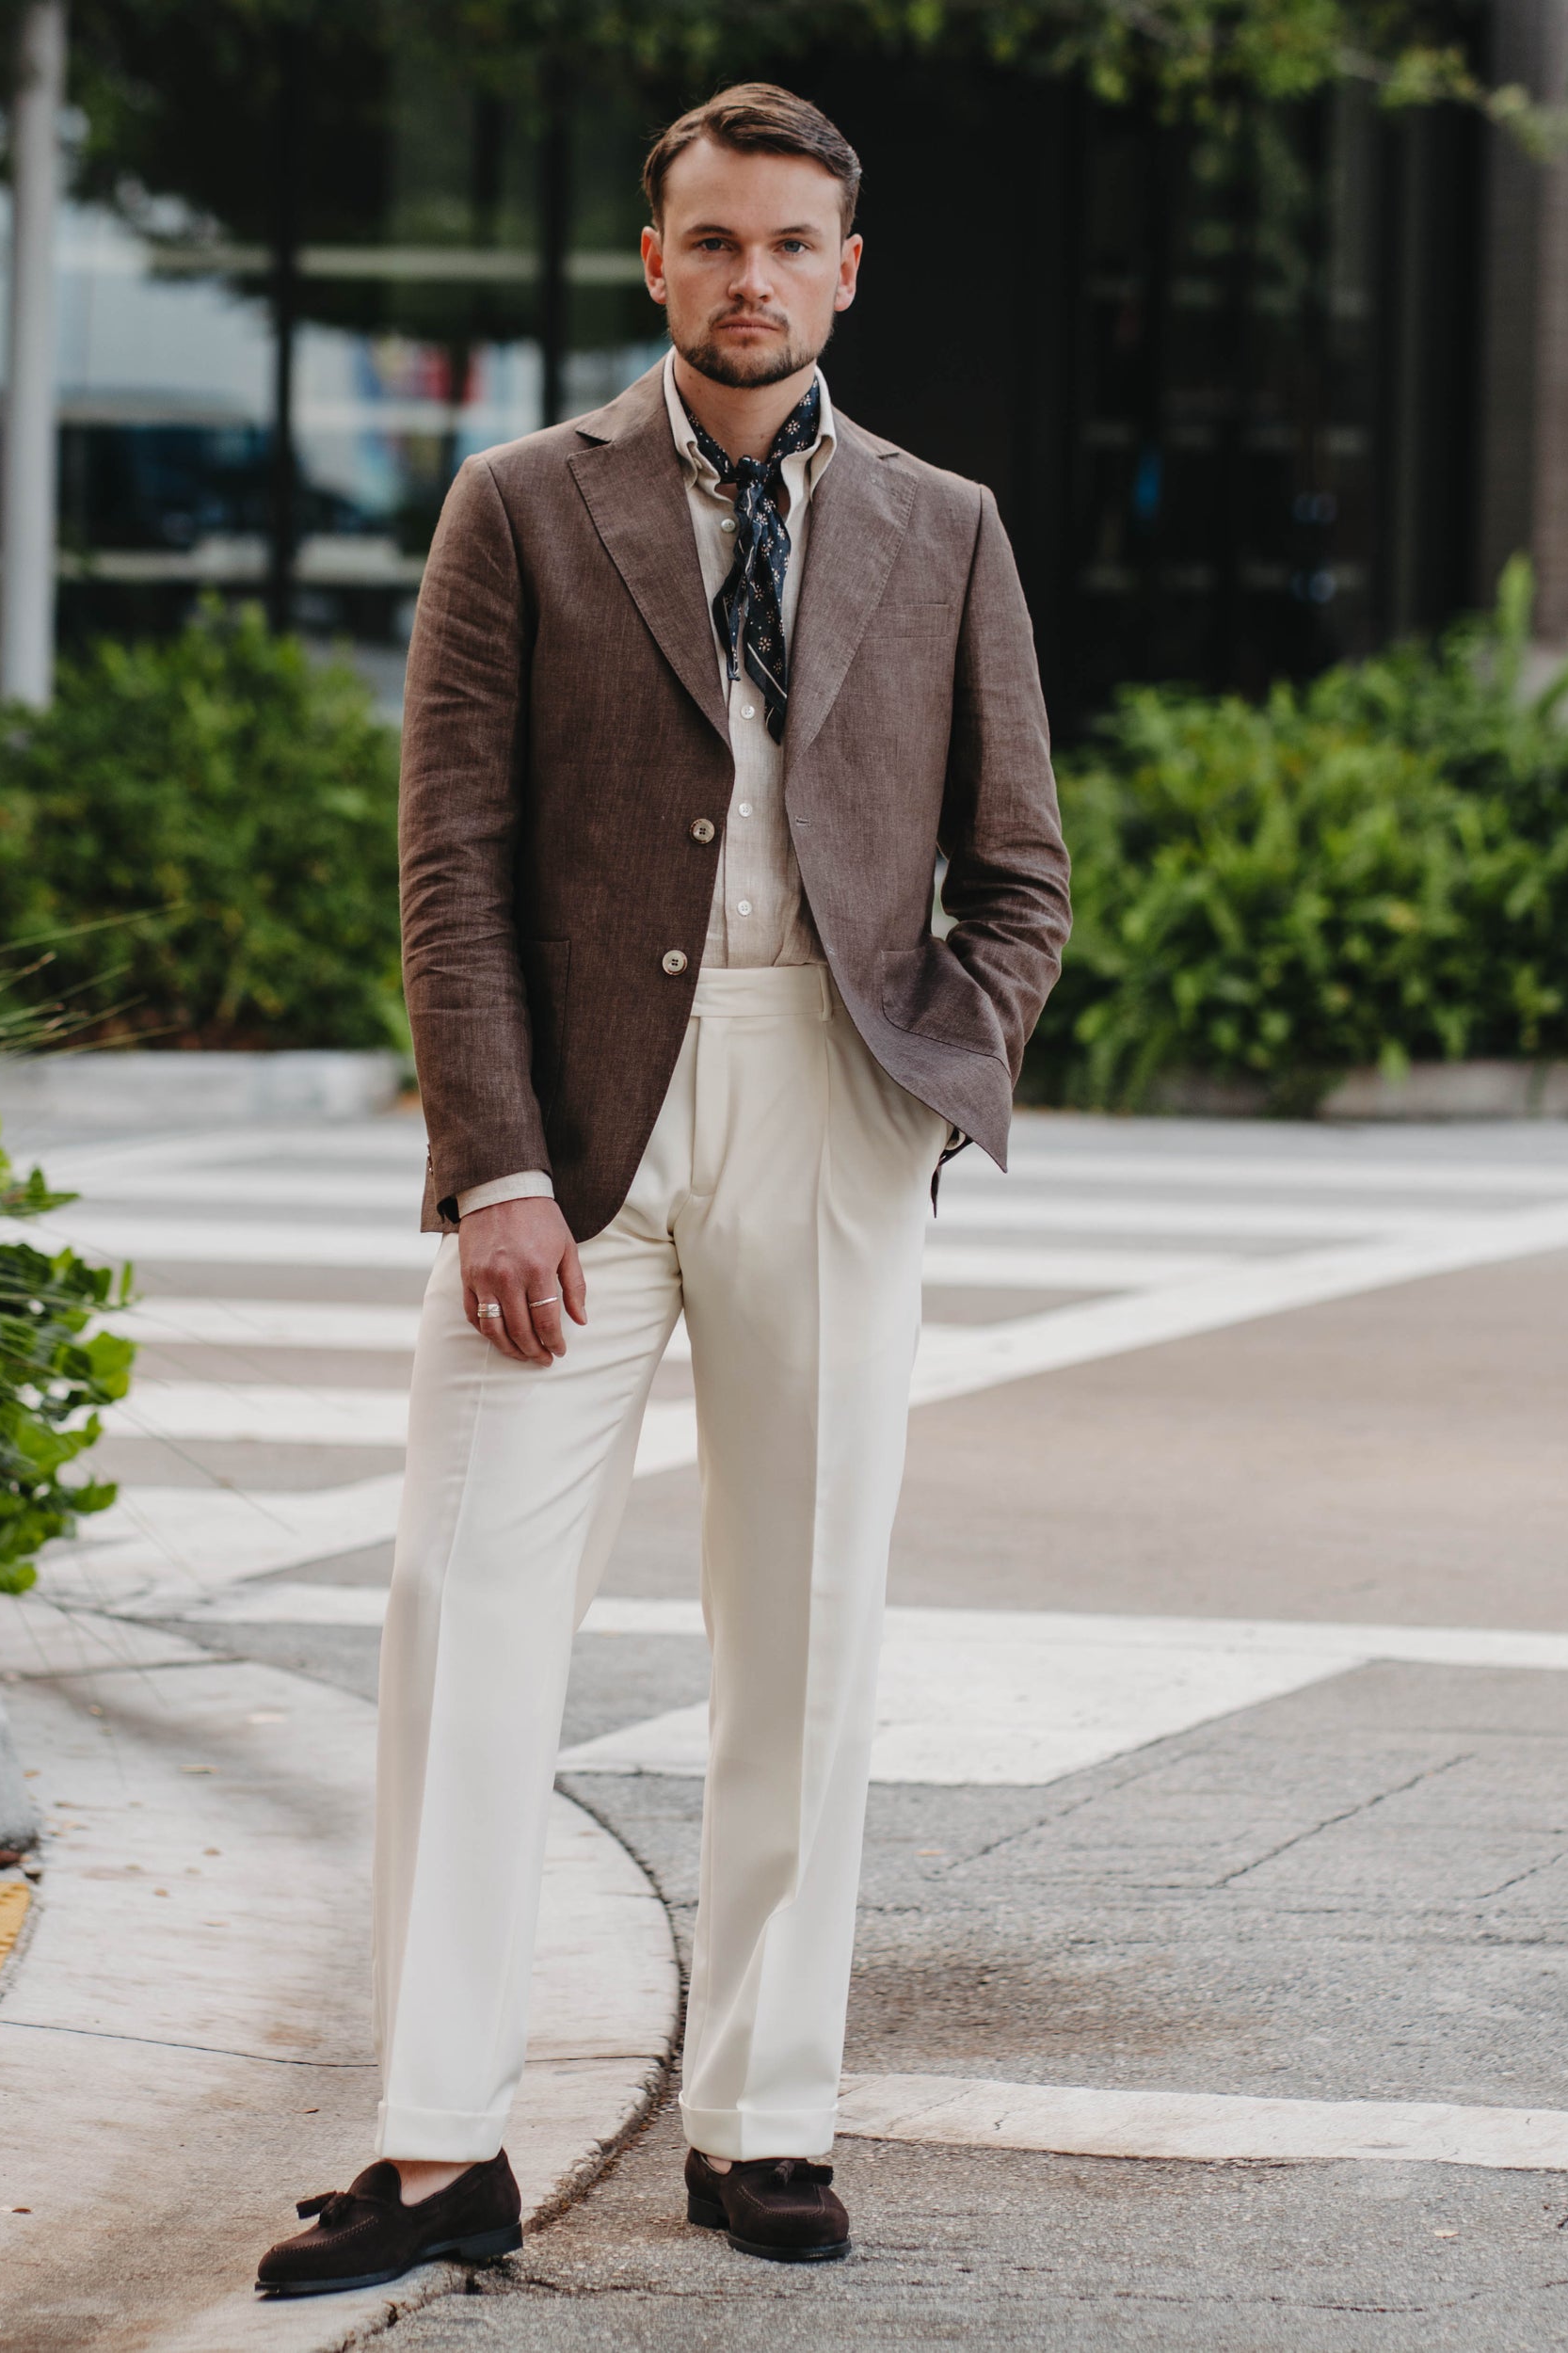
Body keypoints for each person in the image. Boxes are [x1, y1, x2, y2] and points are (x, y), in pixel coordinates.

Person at [257, 81, 1069, 2297]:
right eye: (712, 240)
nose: (749, 278)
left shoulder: (946, 524)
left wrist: (924, 1081)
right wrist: (495, 1162)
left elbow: (1022, 868)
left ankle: (766, 2115)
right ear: (656, 259)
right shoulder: (521, 506)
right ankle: (439, 2140)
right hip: (572, 1140)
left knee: (804, 1622)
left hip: (833, 1096)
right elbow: (450, 864)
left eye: (790, 242)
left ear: (845, 269)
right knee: (463, 1604)